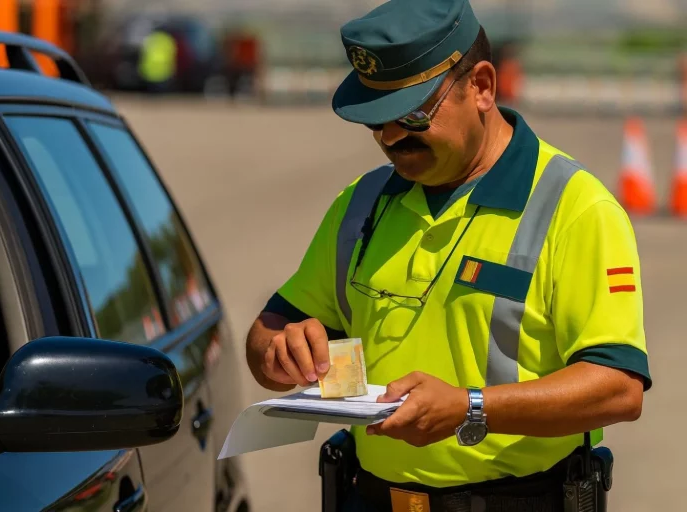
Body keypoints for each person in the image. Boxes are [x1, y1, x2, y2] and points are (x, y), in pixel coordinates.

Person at [245, 0, 651, 510]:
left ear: (481, 86)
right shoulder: (362, 202)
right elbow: (273, 326)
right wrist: (278, 349)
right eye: (375, 121)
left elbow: (618, 387)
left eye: (411, 114)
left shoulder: (575, 208)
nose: (392, 137)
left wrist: (471, 408)